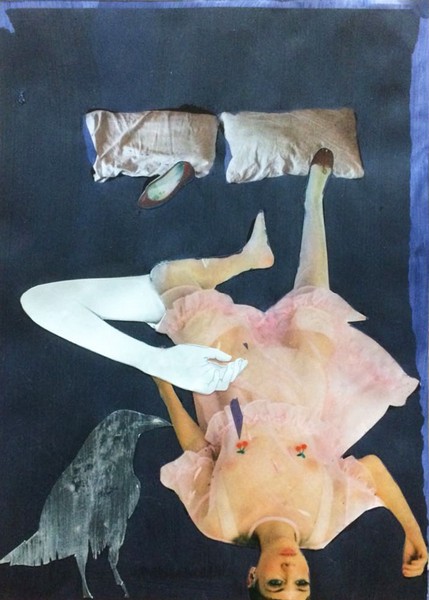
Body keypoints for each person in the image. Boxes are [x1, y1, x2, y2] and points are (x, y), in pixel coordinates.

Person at [21, 150, 427, 598]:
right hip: (304, 395)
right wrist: (413, 533)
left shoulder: (221, 523)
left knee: (177, 288)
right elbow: (371, 469)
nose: (290, 569)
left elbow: (197, 450)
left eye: (276, 583)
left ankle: (248, 258)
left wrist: (161, 379)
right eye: (301, 583)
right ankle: (314, 198)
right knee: (313, 299)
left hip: (236, 396)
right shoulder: (324, 528)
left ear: (252, 577)